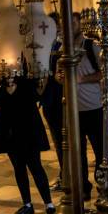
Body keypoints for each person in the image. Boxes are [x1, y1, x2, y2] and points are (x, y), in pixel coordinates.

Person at [0, 72, 56, 214]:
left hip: (28, 131)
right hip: (10, 133)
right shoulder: (0, 77)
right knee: (19, 168)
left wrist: (38, 82)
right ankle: (27, 204)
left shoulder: (28, 78)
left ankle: (49, 204)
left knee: (36, 167)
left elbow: (37, 96)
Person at [55, 12, 105, 201]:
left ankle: (103, 187)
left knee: (100, 152)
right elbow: (57, 74)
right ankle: (83, 188)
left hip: (93, 108)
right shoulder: (62, 48)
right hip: (73, 111)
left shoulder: (91, 46)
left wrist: (82, 78)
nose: (69, 26)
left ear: (79, 24)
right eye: (65, 23)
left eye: (73, 23)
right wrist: (60, 78)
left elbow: (104, 73)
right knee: (78, 153)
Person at [39, 12, 64, 192]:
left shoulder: (61, 46)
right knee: (59, 140)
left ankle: (68, 176)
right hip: (48, 99)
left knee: (64, 140)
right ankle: (66, 174)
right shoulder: (43, 46)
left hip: (59, 98)